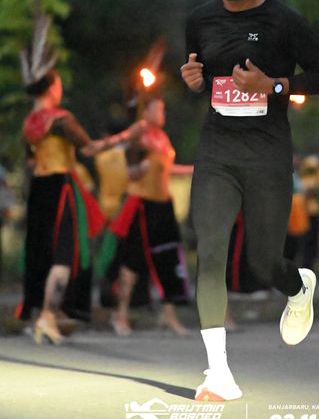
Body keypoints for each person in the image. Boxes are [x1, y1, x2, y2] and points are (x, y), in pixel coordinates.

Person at [180, 0, 319, 401]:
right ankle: (218, 374)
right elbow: (203, 78)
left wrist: (273, 85)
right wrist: (193, 82)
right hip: (217, 152)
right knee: (210, 253)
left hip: (267, 155)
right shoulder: (199, 21)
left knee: (264, 264)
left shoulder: (284, 21)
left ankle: (298, 286)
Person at [20, 66, 142, 344]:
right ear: (51, 87)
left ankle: (43, 314)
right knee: (64, 255)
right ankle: (47, 317)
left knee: (41, 253)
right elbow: (89, 148)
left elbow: (30, 160)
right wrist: (126, 136)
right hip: (60, 187)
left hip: (38, 189)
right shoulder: (60, 119)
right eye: (58, 83)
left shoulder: (30, 123)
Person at [109, 95, 192, 337]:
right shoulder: (138, 135)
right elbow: (130, 170)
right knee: (132, 261)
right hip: (142, 205)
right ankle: (120, 313)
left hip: (163, 204)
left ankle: (168, 316)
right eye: (158, 110)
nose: (162, 115)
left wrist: (193, 170)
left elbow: (166, 168)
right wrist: (138, 169)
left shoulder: (162, 137)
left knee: (168, 259)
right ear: (145, 112)